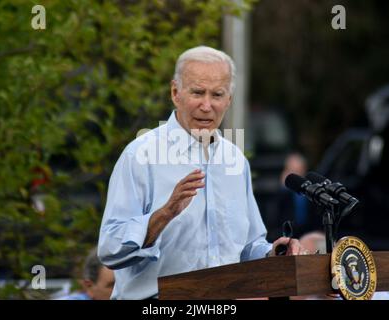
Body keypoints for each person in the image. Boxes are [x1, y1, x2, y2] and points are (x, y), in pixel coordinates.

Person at [98, 46, 306, 300]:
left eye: (217, 95)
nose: (206, 105)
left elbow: (247, 247)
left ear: (228, 100)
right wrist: (164, 215)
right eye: (197, 92)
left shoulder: (235, 161)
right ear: (175, 93)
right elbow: (109, 249)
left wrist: (274, 253)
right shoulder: (141, 155)